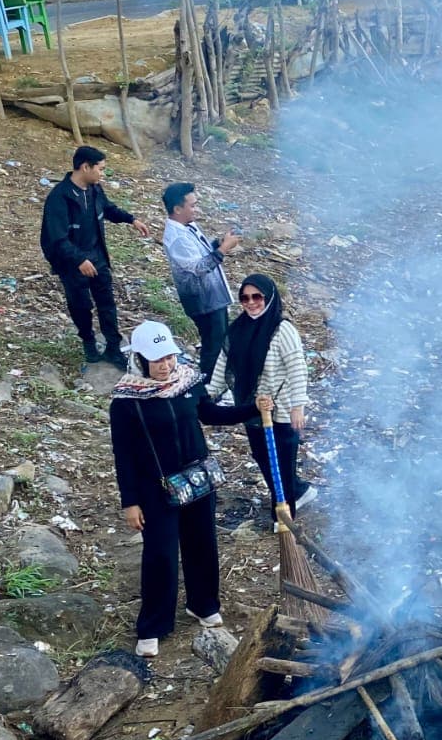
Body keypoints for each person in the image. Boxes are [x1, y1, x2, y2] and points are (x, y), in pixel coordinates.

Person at [109, 320, 271, 658]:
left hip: (198, 480)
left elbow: (210, 414)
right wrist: (131, 502)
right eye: (157, 360)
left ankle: (203, 604)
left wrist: (251, 409)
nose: (166, 366)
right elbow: (123, 455)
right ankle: (153, 626)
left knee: (202, 544)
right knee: (161, 555)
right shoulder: (127, 401)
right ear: (139, 359)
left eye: (169, 357)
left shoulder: (187, 382)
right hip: (157, 488)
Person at [206, 274, 315, 516]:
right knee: (263, 456)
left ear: (269, 297)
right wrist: (208, 394)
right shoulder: (237, 330)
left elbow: (297, 366)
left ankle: (286, 517)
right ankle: (295, 492)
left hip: (282, 409)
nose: (251, 302)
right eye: (245, 298)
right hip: (253, 408)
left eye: (257, 296)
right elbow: (223, 365)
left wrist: (298, 406)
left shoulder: (282, 329)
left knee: (282, 464)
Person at [40, 146, 149, 369]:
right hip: (72, 263)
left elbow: (108, 209)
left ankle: (113, 347)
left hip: (97, 255)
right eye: (100, 169)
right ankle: (89, 342)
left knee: (107, 303)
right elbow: (57, 239)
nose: (102, 174)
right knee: (80, 305)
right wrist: (79, 260)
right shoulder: (59, 198)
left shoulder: (94, 189)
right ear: (85, 167)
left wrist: (132, 219)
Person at [161, 182, 241, 381]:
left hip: (213, 297)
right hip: (203, 300)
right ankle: (207, 386)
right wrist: (224, 249)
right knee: (212, 346)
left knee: (222, 340)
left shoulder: (189, 227)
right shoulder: (177, 237)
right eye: (192, 205)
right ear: (177, 209)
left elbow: (202, 253)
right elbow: (199, 268)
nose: (196, 209)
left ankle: (220, 380)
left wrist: (218, 244)